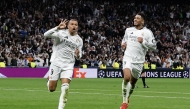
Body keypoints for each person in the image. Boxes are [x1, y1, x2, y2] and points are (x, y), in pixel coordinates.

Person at [44, 19, 83, 109]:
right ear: (68, 25)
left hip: (68, 65)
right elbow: (45, 35)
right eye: (72, 24)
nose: (74, 26)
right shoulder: (61, 33)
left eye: (76, 25)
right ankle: (49, 80)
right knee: (52, 89)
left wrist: (78, 55)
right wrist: (57, 27)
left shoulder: (79, 40)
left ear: (77, 27)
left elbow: (79, 55)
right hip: (57, 63)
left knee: (65, 88)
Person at [120, 12, 157, 109]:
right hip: (128, 57)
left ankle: (128, 97)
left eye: (138, 18)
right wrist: (123, 45)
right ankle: (124, 102)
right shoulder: (128, 30)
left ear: (142, 21)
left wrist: (143, 42)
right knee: (127, 77)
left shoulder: (148, 33)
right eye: (135, 18)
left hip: (139, 62)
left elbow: (154, 47)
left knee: (132, 84)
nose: (135, 19)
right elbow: (124, 40)